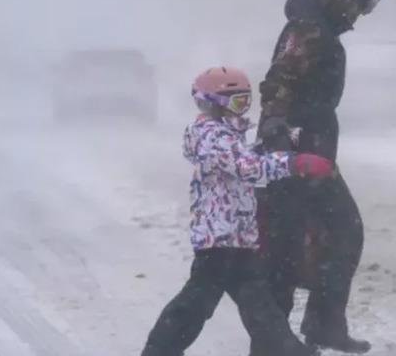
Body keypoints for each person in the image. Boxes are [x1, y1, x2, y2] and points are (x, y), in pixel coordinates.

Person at [141, 66, 334, 356]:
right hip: (218, 239)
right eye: (235, 101)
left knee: (259, 305)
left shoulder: (229, 136)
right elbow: (248, 167)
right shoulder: (210, 136)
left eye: (246, 100)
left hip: (239, 238)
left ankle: (289, 351)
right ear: (214, 103)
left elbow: (248, 156)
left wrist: (284, 139)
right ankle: (159, 350)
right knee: (196, 303)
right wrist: (294, 163)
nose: (242, 108)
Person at [256, 0, 385, 353]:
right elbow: (280, 79)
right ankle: (277, 342)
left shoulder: (320, 24)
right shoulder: (310, 27)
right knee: (288, 246)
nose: (362, 13)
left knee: (333, 233)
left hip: (312, 148)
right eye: (363, 3)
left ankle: (320, 326)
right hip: (294, 150)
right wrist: (277, 129)